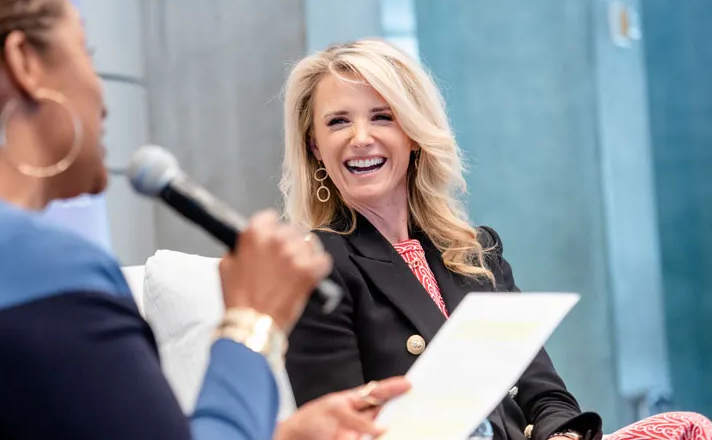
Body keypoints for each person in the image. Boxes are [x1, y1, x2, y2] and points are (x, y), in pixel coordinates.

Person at [0, 0, 410, 440]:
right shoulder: (28, 265)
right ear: (26, 65)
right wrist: (251, 321)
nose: (102, 94)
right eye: (85, 52)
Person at [278, 38, 712, 440]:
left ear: (412, 133)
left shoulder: (475, 252)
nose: (361, 138)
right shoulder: (316, 265)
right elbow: (336, 432)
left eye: (382, 116)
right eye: (338, 122)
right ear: (315, 146)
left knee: (689, 427)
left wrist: (561, 435)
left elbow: (547, 395)